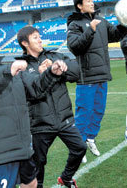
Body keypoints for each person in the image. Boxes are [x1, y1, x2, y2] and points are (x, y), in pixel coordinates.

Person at [0, 31, 67, 188]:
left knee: (31, 184)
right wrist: (7, 71)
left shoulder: (6, 69)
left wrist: (51, 74)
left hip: (23, 147)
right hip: (0, 151)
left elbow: (35, 89)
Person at [16, 26, 87, 188]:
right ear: (25, 43)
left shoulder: (54, 55)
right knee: (38, 164)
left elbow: (76, 72)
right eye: (35, 37)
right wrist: (43, 74)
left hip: (64, 119)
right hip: (40, 124)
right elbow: (32, 92)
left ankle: (66, 178)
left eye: (39, 36)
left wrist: (58, 67)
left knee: (80, 148)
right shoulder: (22, 66)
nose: (40, 40)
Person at [67, 0, 127, 159]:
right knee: (84, 113)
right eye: (87, 1)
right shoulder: (75, 24)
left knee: (98, 111)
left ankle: (90, 139)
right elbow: (75, 47)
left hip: (102, 74)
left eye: (92, 0)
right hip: (86, 77)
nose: (92, 3)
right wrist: (90, 30)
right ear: (79, 5)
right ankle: (79, 147)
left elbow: (115, 35)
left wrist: (124, 25)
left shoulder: (101, 20)